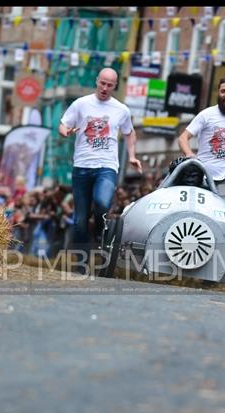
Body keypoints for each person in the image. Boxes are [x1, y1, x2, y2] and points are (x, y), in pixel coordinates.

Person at [59, 67, 142, 272]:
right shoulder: (81, 104)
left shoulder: (121, 109)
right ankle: (81, 265)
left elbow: (130, 133)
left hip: (107, 166)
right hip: (82, 166)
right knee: (79, 220)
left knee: (102, 202)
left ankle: (99, 230)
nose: (105, 88)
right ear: (97, 81)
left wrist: (131, 155)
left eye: (109, 85)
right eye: (102, 83)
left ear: (115, 86)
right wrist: (66, 132)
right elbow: (62, 124)